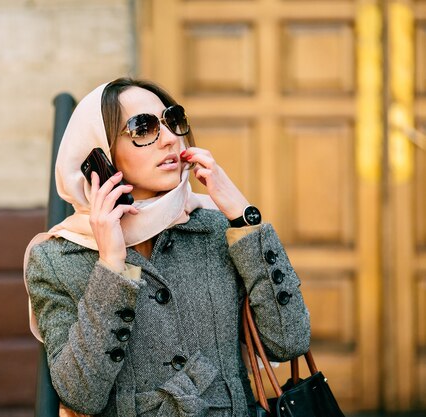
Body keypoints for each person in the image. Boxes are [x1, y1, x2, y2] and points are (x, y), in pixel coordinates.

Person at [24, 78, 311, 417]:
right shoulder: (56, 259)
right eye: (143, 128)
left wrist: (244, 219)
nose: (172, 139)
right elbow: (81, 394)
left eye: (172, 121)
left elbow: (289, 340)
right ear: (98, 155)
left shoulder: (218, 228)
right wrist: (112, 267)